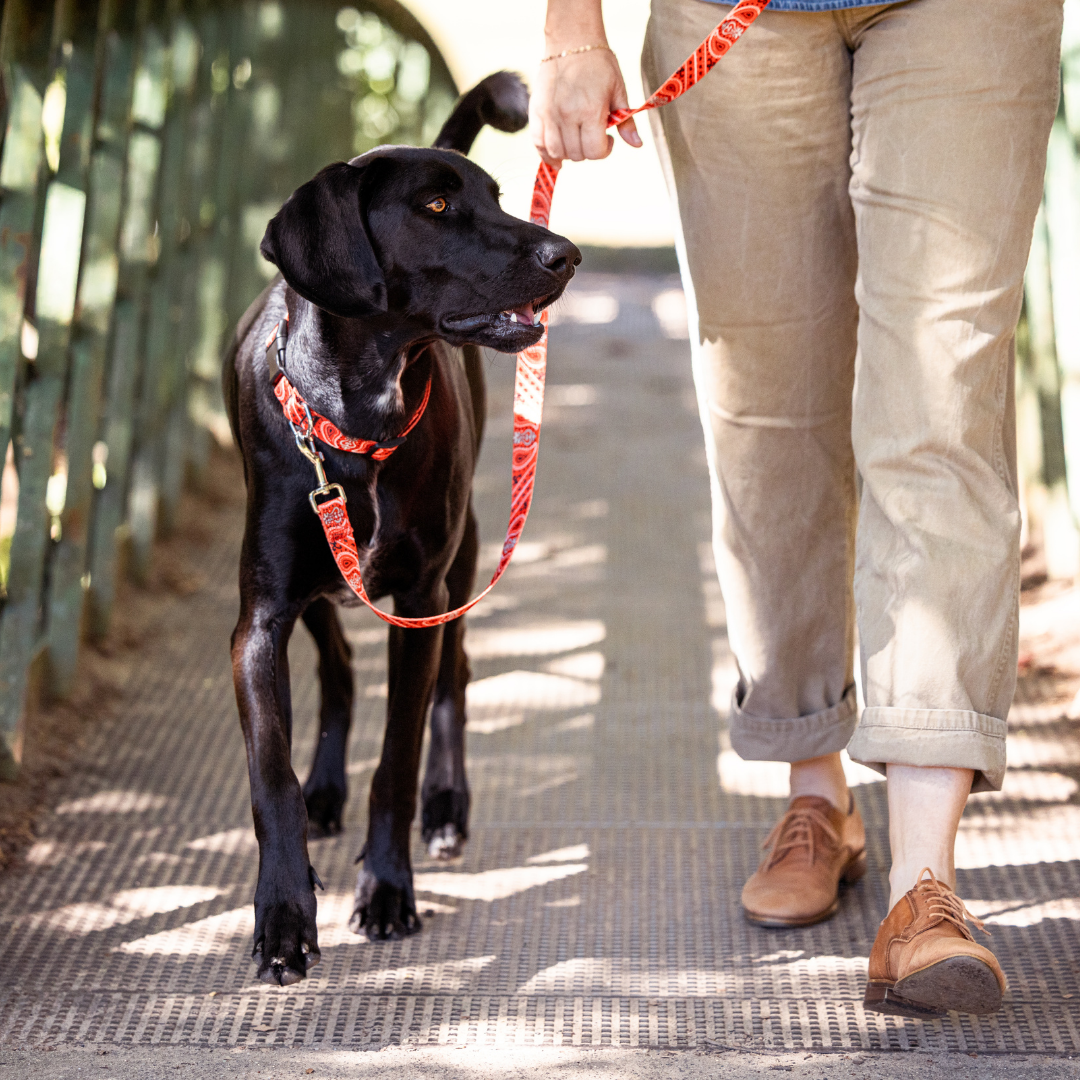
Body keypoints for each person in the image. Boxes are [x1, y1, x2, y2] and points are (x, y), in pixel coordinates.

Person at [530, 0, 1063, 1018]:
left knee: (942, 404)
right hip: (734, 19)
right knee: (769, 414)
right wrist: (572, 31)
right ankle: (813, 789)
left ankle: (924, 885)